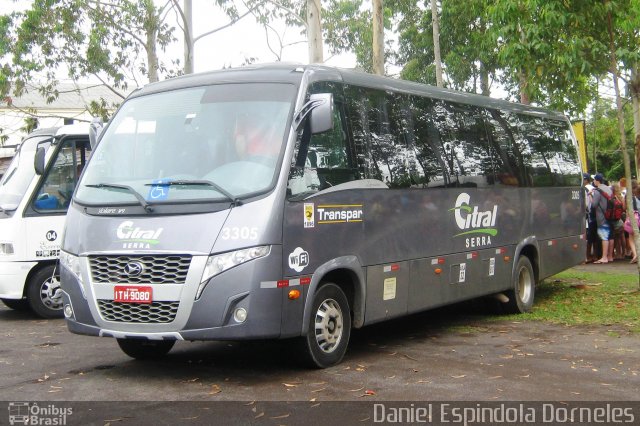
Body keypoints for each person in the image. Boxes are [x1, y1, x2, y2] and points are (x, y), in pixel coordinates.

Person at [591, 173, 613, 263]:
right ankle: (610, 256)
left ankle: (604, 257)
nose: (593, 181)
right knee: (610, 236)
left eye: (594, 180)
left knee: (604, 236)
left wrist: (590, 196)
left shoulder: (597, 191)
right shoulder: (609, 189)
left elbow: (594, 205)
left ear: (597, 180)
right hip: (610, 215)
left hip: (601, 216)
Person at [583, 173, 599, 263]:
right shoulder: (594, 189)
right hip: (594, 215)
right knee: (594, 237)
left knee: (587, 237)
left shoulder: (584, 189)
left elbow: (585, 204)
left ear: (585, 180)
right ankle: (595, 256)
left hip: (587, 216)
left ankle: (587, 256)